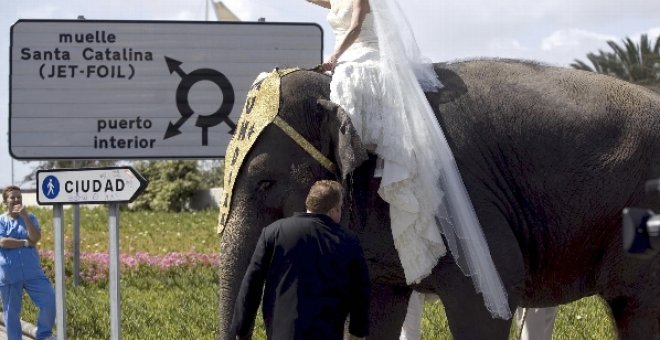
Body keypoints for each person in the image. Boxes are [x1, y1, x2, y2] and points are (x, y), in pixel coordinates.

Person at [307, 0, 511, 319]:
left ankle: (371, 175)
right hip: (345, 63)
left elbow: (357, 26)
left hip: (363, 58)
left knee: (352, 91)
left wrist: (335, 56)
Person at [230, 180, 370, 340]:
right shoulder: (349, 240)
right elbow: (361, 291)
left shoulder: (273, 232)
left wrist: (242, 330)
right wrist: (357, 333)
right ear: (333, 210)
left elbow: (252, 284)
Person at [0, 186, 56, 340]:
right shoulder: (1, 221)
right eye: (13, 197)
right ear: (6, 201)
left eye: (19, 197)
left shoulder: (30, 218)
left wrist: (24, 217)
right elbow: (3, 242)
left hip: (32, 271)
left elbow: (36, 237)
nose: (17, 200)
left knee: (50, 299)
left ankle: (43, 334)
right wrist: (25, 242)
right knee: (11, 312)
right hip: (10, 273)